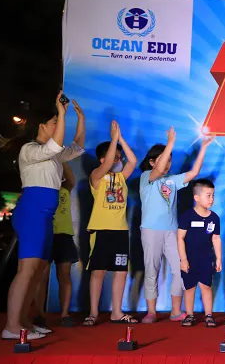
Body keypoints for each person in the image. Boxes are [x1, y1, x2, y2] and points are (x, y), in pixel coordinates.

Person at [0, 92, 85, 340]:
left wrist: (80, 119)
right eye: (55, 123)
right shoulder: (30, 149)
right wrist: (61, 112)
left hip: (46, 217)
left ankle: (24, 322)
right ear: (42, 126)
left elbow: (76, 147)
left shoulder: (53, 155)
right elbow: (56, 145)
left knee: (37, 272)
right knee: (27, 270)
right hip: (32, 214)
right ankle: (11, 326)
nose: (59, 126)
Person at [138, 129, 213, 324]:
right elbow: (157, 171)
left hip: (172, 231)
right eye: (163, 159)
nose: (167, 164)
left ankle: (176, 310)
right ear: (152, 162)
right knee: (152, 270)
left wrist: (204, 148)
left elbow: (194, 173)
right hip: (151, 230)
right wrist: (170, 143)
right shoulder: (146, 177)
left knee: (180, 270)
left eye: (170, 160)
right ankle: (151, 312)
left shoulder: (172, 180)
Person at [83, 120, 138, 326]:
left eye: (119, 157)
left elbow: (133, 161)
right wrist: (113, 139)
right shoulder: (97, 176)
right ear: (102, 159)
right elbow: (106, 166)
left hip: (120, 231)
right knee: (98, 271)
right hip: (101, 230)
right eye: (114, 156)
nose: (118, 160)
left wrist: (120, 138)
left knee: (121, 272)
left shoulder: (121, 177)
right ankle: (93, 313)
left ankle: (116, 312)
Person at [33, 161, 79, 328]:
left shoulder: (65, 188)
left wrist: (62, 159)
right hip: (45, 235)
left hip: (64, 236)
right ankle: (39, 314)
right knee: (42, 276)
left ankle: (65, 314)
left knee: (64, 276)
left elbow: (71, 179)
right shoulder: (41, 189)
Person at [178, 179, 222, 327]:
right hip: (189, 259)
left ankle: (208, 315)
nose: (211, 199)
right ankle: (189, 314)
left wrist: (219, 258)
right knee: (189, 288)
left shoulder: (214, 218)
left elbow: (216, 238)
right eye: (208, 195)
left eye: (213, 195)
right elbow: (180, 237)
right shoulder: (187, 216)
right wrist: (183, 259)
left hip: (206, 259)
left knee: (206, 287)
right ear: (196, 197)